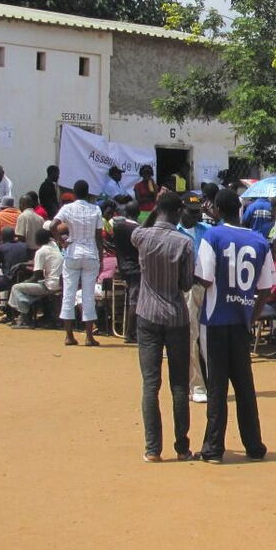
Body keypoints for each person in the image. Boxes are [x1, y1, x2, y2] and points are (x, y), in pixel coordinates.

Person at [195, 188, 276, 463]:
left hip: (216, 319)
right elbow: (266, 287)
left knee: (216, 386)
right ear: (240, 209)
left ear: (216, 210)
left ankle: (213, 447)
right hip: (242, 320)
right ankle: (254, 445)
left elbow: (205, 278)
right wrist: (252, 316)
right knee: (244, 386)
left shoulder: (212, 236)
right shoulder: (259, 241)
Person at [127, 192, 195, 463]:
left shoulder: (142, 238)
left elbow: (140, 229)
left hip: (147, 315)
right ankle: (182, 448)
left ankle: (152, 448)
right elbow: (187, 285)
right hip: (176, 316)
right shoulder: (184, 243)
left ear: (156, 209)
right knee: (179, 385)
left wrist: (155, 209)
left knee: (150, 384)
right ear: (179, 212)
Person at [51, 179, 103, 347]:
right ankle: (89, 337)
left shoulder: (67, 208)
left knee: (69, 293)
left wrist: (61, 241)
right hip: (90, 253)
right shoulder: (95, 209)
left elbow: (52, 225)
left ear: (74, 193)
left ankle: (69, 336)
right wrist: (100, 258)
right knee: (88, 295)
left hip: (72, 252)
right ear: (88, 193)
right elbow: (98, 237)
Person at [175, 193, 211, 403]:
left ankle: (213, 383)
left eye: (198, 212)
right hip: (187, 289)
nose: (196, 216)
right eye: (192, 212)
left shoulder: (207, 231)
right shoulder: (175, 233)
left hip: (207, 288)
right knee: (191, 337)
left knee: (209, 339)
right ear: (182, 210)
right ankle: (196, 385)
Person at [8, 228, 63, 329]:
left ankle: (24, 320)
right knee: (24, 290)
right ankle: (24, 311)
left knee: (16, 288)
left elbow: (36, 277)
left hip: (50, 286)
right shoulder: (54, 247)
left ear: (39, 239)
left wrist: (25, 282)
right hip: (59, 284)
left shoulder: (41, 252)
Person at [0, 227, 32, 324]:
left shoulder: (1, 248)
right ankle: (10, 314)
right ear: (14, 236)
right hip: (24, 278)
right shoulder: (24, 246)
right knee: (11, 286)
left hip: (9, 279)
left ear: (2, 237)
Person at [111, 201, 142, 344]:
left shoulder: (118, 227)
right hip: (136, 268)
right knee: (134, 301)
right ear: (138, 213)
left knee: (132, 299)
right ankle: (130, 334)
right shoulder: (137, 229)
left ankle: (131, 332)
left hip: (123, 268)